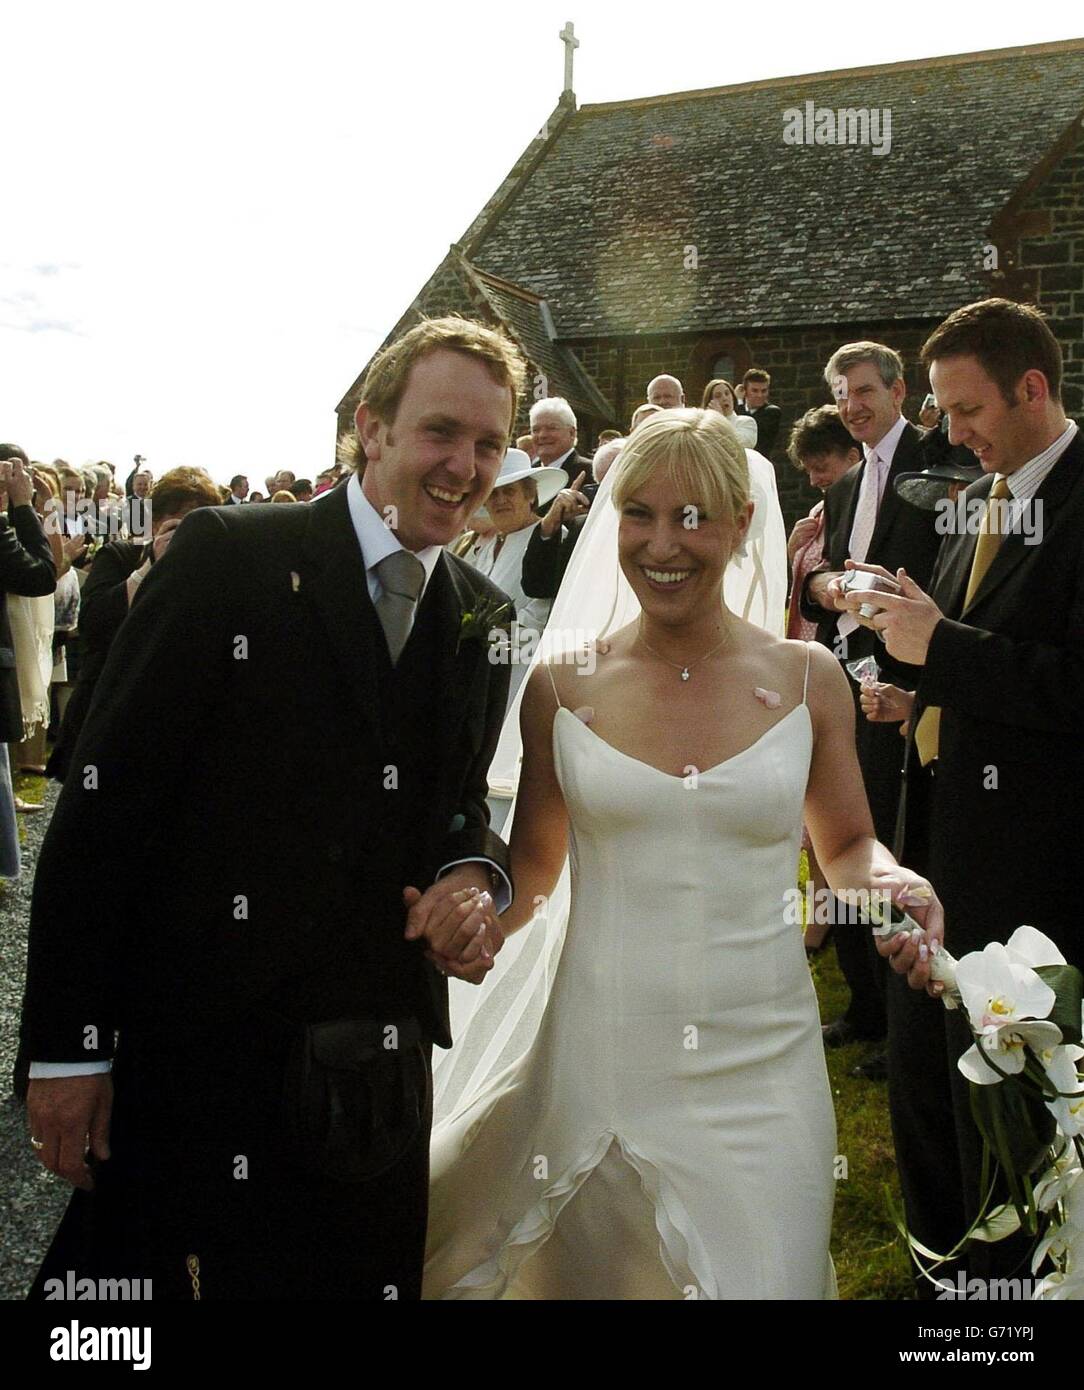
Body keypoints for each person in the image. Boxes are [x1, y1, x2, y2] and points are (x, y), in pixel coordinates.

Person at [20, 316, 523, 1301]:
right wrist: (69, 1047)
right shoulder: (228, 558)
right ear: (371, 430)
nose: (465, 465)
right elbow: (100, 809)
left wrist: (475, 874)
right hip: (199, 1057)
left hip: (371, 1078)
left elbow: (457, 801)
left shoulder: (480, 613)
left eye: (488, 444)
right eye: (439, 432)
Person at [423, 409, 942, 1299]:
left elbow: (847, 842)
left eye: (693, 516)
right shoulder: (561, 684)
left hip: (763, 1070)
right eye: (640, 514)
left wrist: (892, 880)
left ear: (743, 523)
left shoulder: (811, 681)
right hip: (601, 1057)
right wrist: (478, 924)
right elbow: (537, 874)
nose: (663, 544)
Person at [851, 297, 1084, 1286]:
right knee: (927, 1097)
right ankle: (944, 1289)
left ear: (1032, 388)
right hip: (936, 854)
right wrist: (916, 690)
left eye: (963, 408)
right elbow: (974, 654)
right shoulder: (976, 501)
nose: (948, 433)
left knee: (1015, 1115)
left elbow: (1067, 682)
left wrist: (941, 650)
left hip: (1040, 877)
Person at [799, 342, 942, 1075]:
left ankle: (902, 1022)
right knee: (836, 840)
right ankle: (861, 1004)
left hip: (904, 695)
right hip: (841, 686)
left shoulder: (944, 461)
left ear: (897, 390)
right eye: (842, 394)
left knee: (887, 843)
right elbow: (820, 573)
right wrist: (826, 588)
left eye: (862, 391)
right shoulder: (848, 485)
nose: (852, 405)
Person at [45, 467, 224, 782]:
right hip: (114, 710)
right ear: (155, 523)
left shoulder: (218, 571)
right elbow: (94, 622)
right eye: (181, 521)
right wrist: (150, 567)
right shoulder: (122, 557)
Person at [528, 398, 594, 490]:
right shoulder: (528, 476)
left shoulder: (590, 473)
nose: (542, 435)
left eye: (552, 428)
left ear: (572, 433)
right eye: (536, 430)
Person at [736, 369, 782, 457]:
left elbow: (749, 425)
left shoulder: (772, 412)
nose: (760, 395)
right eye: (755, 390)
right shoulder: (735, 410)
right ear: (745, 391)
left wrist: (739, 401)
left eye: (764, 391)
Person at [702, 378, 757, 448]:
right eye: (718, 396)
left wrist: (720, 420)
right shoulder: (703, 427)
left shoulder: (747, 422)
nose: (724, 398)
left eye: (727, 393)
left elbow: (740, 443)